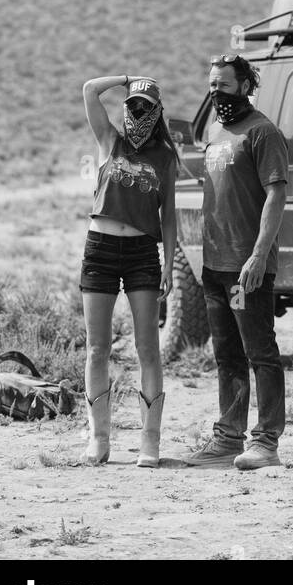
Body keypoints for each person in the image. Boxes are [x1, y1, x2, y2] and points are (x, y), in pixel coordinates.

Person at [185, 54, 288, 470]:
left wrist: (259, 255)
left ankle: (266, 443)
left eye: (223, 86)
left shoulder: (263, 133)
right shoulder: (214, 131)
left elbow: (277, 196)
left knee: (260, 352)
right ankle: (228, 438)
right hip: (215, 264)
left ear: (245, 86)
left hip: (248, 266)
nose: (215, 92)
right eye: (212, 85)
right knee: (226, 354)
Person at [80, 74, 178, 467]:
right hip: (100, 248)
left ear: (157, 113)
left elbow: (168, 215)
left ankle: (149, 443)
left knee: (147, 349)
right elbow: (89, 90)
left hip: (141, 252)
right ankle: (98, 439)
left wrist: (169, 262)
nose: (137, 113)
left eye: (145, 107)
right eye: (132, 105)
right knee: (97, 348)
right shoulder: (109, 140)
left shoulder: (165, 157)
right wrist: (126, 80)